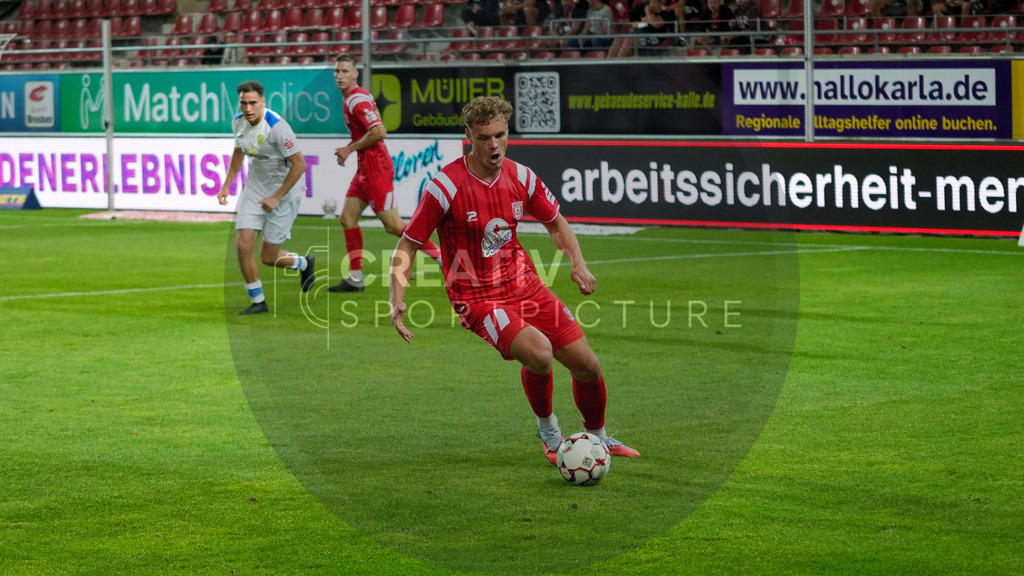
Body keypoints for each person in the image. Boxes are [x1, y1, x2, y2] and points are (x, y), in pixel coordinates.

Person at [389, 96, 641, 465]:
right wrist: (396, 298)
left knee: (588, 366)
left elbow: (556, 223)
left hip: (526, 286)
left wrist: (579, 264)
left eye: (500, 135)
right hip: (477, 299)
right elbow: (407, 246)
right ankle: (551, 434)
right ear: (468, 137)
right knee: (539, 353)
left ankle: (599, 439)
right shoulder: (445, 187)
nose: (494, 145)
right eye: (484, 138)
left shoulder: (522, 177)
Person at [328, 53, 442, 293]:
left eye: (345, 71)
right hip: (364, 169)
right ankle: (355, 278)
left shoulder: (357, 101)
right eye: (337, 71)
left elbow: (380, 131)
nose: (340, 76)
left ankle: (440, 257)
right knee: (347, 219)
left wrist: (349, 149)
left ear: (355, 74)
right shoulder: (351, 98)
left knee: (392, 225)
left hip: (377, 169)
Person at [217, 80, 315, 315]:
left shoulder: (277, 127)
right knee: (242, 244)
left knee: (269, 257)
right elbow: (239, 152)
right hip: (255, 188)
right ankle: (258, 301)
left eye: (252, 103)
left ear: (263, 102)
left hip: (285, 191)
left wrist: (276, 196)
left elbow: (300, 164)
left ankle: (303, 263)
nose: (248, 108)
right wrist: (226, 185)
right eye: (243, 103)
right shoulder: (237, 121)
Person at [608, 0, 676, 57]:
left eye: (654, 2)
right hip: (640, 33)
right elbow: (643, 23)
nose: (651, 5)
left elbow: (656, 25)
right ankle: (609, 64)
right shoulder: (651, 14)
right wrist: (637, 24)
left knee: (630, 39)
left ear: (660, 3)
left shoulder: (665, 13)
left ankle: (619, 65)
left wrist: (647, 11)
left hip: (654, 37)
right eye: (651, 2)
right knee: (618, 38)